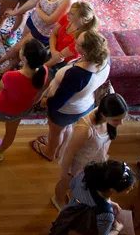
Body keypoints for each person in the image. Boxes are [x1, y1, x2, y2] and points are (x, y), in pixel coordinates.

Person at [32, 30, 111, 163]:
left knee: (55, 132)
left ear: (85, 51)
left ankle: (49, 152)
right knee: (66, 127)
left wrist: (42, 101)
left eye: (78, 42)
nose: (74, 42)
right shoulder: (105, 60)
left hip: (65, 110)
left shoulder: (77, 75)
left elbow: (57, 102)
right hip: (84, 104)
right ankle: (59, 148)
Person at [0, 39, 50, 162]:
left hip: (2, 109)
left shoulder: (11, 76)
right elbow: (39, 94)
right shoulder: (44, 71)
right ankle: (0, 152)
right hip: (23, 110)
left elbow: (1, 86)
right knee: (11, 132)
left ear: (25, 58)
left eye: (22, 49)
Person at [0, 0, 79, 75]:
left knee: (19, 47)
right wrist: (14, 13)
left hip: (42, 32)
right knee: (22, 49)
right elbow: (34, 0)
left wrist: (38, 9)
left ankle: (1, 64)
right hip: (33, 20)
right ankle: (11, 66)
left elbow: (50, 20)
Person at [31, 160, 136, 235]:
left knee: (53, 230)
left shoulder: (85, 175)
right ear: (112, 190)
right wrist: (117, 229)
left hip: (67, 215)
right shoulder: (106, 214)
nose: (130, 189)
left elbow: (72, 186)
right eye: (128, 188)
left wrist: (110, 202)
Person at [53, 94, 128, 210]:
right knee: (66, 183)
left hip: (93, 159)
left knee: (80, 186)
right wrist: (65, 173)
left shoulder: (107, 112)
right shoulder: (84, 129)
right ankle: (58, 200)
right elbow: (69, 152)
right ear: (104, 115)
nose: (121, 123)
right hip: (77, 164)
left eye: (123, 118)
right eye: (117, 120)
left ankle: (72, 195)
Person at [43, 2, 99, 72]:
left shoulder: (82, 38)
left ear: (82, 19)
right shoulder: (67, 18)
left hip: (63, 62)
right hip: (53, 49)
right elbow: (53, 34)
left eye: (71, 14)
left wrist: (41, 68)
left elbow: (59, 57)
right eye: (69, 11)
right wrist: (53, 51)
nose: (67, 14)